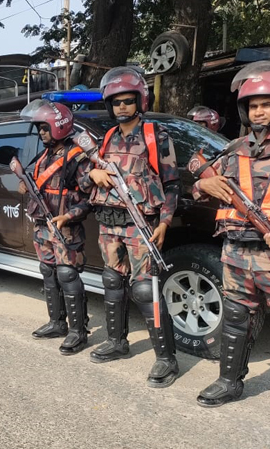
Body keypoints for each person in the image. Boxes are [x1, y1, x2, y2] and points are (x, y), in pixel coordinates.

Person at [189, 61, 270, 437]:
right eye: (252, 106)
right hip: (236, 252)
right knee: (236, 318)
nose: (258, 112)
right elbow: (196, 177)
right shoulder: (233, 149)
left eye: (266, 104)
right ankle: (230, 381)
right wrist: (206, 187)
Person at [78, 66, 180, 387]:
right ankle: (117, 342)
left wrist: (164, 222)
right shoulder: (105, 138)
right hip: (109, 224)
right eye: (116, 102)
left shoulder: (155, 136)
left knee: (144, 288)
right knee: (112, 281)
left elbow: (172, 185)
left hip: (141, 225)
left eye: (128, 101)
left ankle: (166, 359)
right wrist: (91, 174)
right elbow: (83, 176)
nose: (122, 107)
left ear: (140, 101)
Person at [18, 99, 92, 354]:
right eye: (39, 128)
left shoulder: (76, 157)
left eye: (44, 128)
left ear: (58, 126)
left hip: (65, 227)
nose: (41, 133)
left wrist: (69, 217)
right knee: (48, 272)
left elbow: (89, 199)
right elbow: (36, 183)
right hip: (42, 226)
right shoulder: (44, 156)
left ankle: (78, 331)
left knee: (67, 275)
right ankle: (56, 322)